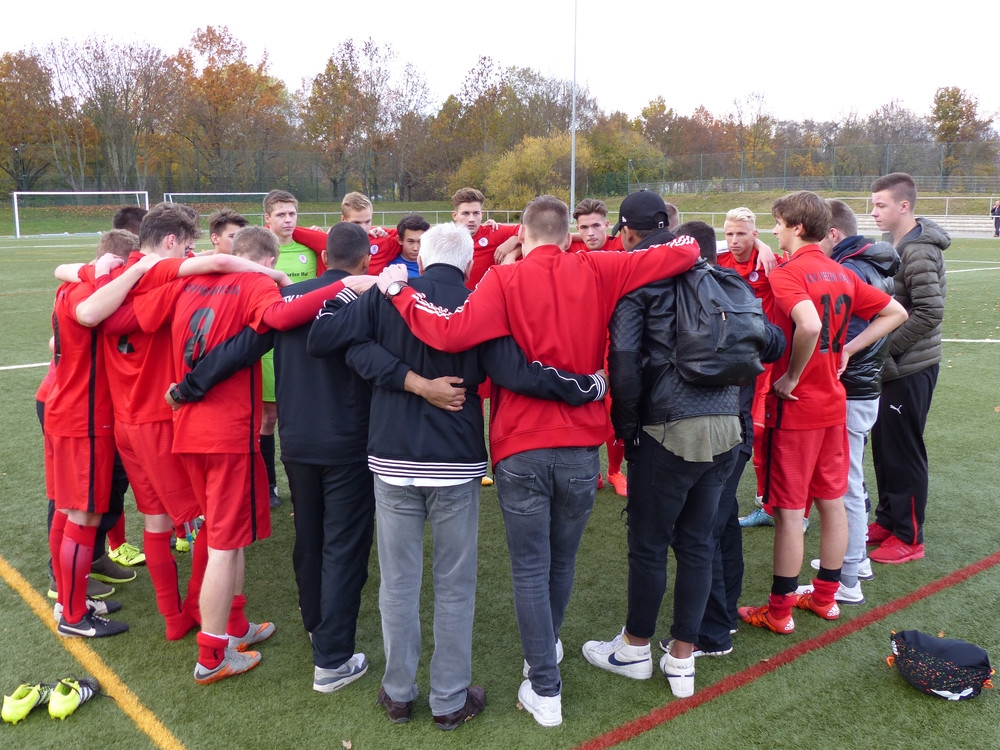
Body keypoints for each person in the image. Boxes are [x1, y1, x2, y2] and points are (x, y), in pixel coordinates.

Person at [375, 192, 701, 727]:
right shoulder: (598, 266)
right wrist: (684, 234)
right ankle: (540, 664)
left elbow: (448, 331)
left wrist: (398, 291)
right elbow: (684, 249)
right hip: (580, 445)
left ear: (522, 236)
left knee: (530, 568)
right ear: (568, 235)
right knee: (561, 561)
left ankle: (545, 685)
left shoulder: (502, 279)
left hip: (520, 445)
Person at [311, 221, 607, 729]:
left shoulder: (388, 294)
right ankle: (448, 700)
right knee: (454, 584)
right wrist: (588, 385)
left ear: (420, 260)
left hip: (393, 457)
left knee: (398, 582)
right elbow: (513, 370)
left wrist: (373, 324)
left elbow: (327, 337)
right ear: (469, 264)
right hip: (454, 461)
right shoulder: (477, 302)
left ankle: (398, 692)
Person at [131, 225, 374, 683]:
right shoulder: (263, 289)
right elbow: (274, 323)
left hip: (205, 427)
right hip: (234, 432)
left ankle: (241, 623)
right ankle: (215, 655)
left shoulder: (188, 283)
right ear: (268, 263)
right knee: (227, 544)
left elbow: (229, 342)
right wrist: (347, 286)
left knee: (247, 536)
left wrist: (186, 386)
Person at [581, 209, 741, 699]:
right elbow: (766, 343)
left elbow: (624, 365)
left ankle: (635, 648)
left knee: (649, 545)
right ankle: (682, 658)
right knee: (697, 544)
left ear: (629, 232)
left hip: (667, 427)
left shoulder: (640, 284)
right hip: (726, 426)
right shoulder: (724, 278)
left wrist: (626, 431)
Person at [738, 191, 906, 636]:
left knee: (790, 513)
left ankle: (779, 612)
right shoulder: (840, 271)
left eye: (778, 223)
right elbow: (895, 312)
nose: (774, 230)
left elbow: (809, 323)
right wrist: (848, 348)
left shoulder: (790, 273)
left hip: (796, 411)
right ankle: (826, 597)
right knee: (833, 504)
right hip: (833, 404)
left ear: (796, 227)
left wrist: (792, 376)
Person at [46, 235, 161, 638]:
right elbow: (90, 313)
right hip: (85, 418)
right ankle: (74, 616)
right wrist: (138, 269)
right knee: (83, 515)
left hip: (67, 408)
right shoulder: (91, 292)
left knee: (67, 511)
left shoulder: (76, 282)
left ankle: (68, 600)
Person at [804, 199, 899, 603]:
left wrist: (846, 350)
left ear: (833, 234)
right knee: (848, 480)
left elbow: (885, 317)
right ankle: (853, 561)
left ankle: (848, 576)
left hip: (853, 387)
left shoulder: (852, 269)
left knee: (845, 484)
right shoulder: (870, 263)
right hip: (865, 385)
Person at [868, 173, 949, 564]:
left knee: (904, 449)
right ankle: (888, 519)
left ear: (904, 206)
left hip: (909, 367)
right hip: (892, 367)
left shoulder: (918, 250)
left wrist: (887, 351)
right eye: (873, 204)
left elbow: (930, 311)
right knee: (884, 446)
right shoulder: (892, 243)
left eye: (880, 205)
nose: (873, 212)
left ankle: (910, 536)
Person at [718, 207, 783, 529]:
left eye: (741, 234)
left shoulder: (770, 264)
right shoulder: (720, 261)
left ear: (754, 234)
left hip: (765, 361)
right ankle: (755, 496)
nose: (734, 240)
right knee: (736, 426)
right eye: (729, 234)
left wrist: (763, 248)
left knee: (758, 430)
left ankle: (766, 499)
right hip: (731, 360)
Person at [261, 189, 317, 507]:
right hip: (268, 347)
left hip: (303, 348)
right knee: (268, 418)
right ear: (267, 218)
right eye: (281, 214)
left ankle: (302, 488)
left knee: (299, 418)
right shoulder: (260, 251)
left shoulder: (309, 251)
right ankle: (269, 485)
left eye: (292, 213)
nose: (288, 220)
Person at [569, 199, 626, 495]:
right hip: (581, 341)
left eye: (595, 225)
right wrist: (513, 244)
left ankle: (615, 471)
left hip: (618, 340)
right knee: (584, 405)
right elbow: (529, 235)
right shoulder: (568, 249)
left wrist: (760, 245)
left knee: (616, 407)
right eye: (583, 228)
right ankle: (593, 472)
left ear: (607, 224)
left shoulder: (624, 246)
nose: (590, 233)